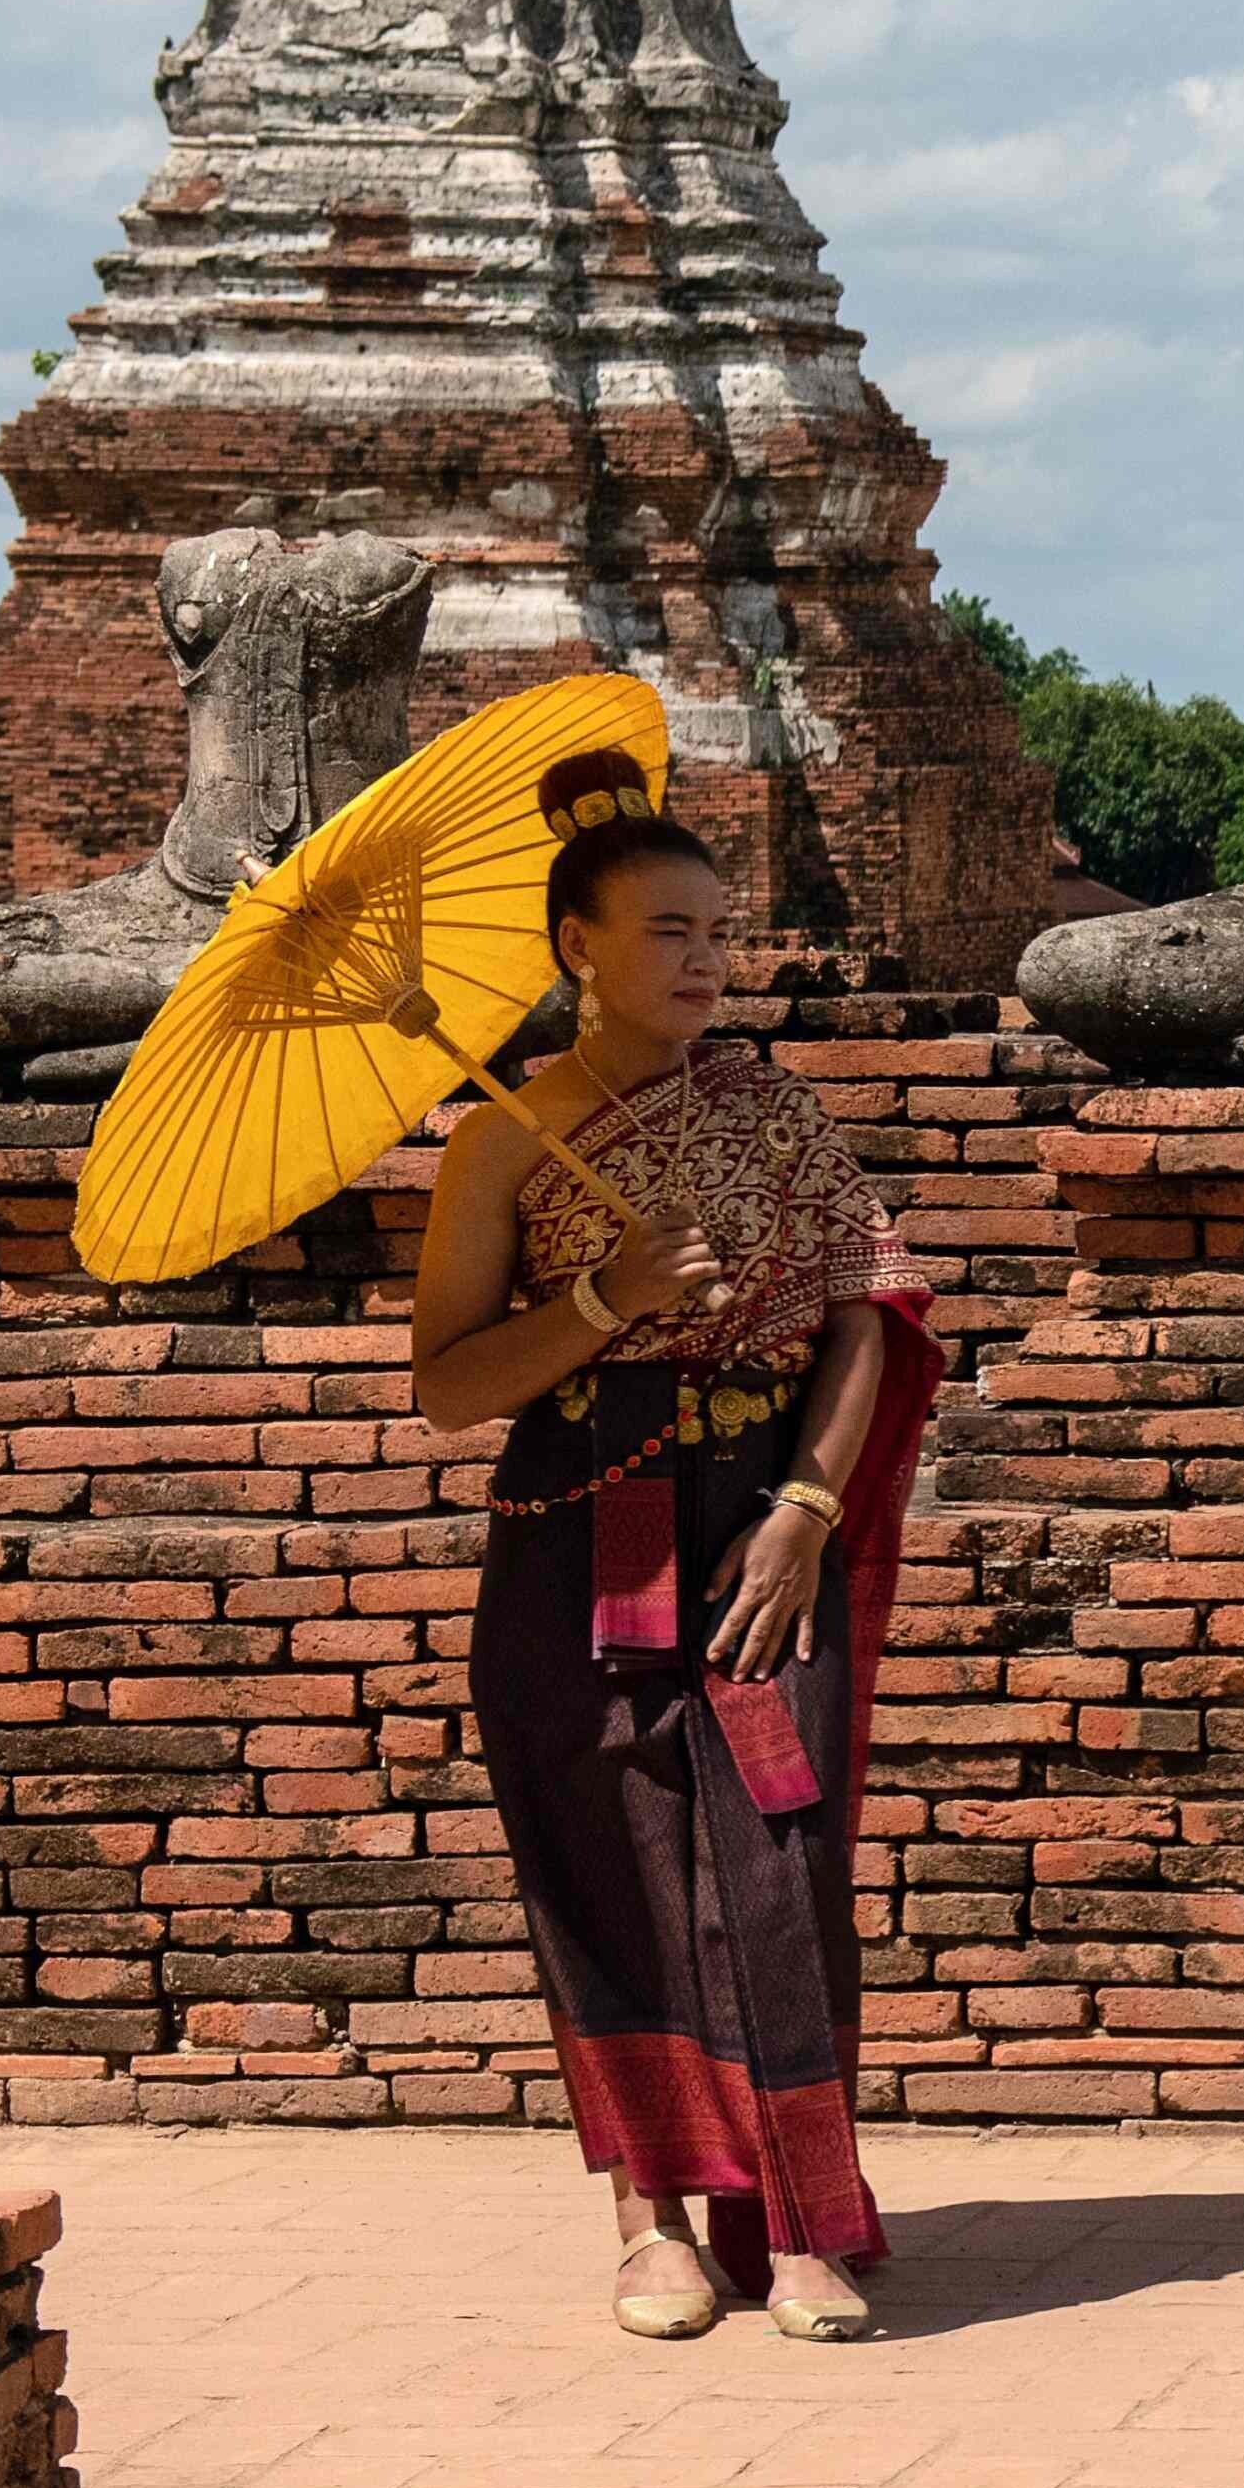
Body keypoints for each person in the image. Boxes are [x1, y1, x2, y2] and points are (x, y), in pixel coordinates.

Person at [408, 755, 942, 2342]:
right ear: (579, 944)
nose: (709, 961)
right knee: (613, 1862)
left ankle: (794, 2222)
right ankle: (650, 2222)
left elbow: (870, 1313)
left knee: (777, 1864)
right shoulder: (503, 1139)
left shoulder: (773, 1111)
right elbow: (447, 1386)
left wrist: (806, 1512)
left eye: (720, 931)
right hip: (581, 1530)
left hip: (759, 1520)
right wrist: (604, 1302)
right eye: (668, 931)